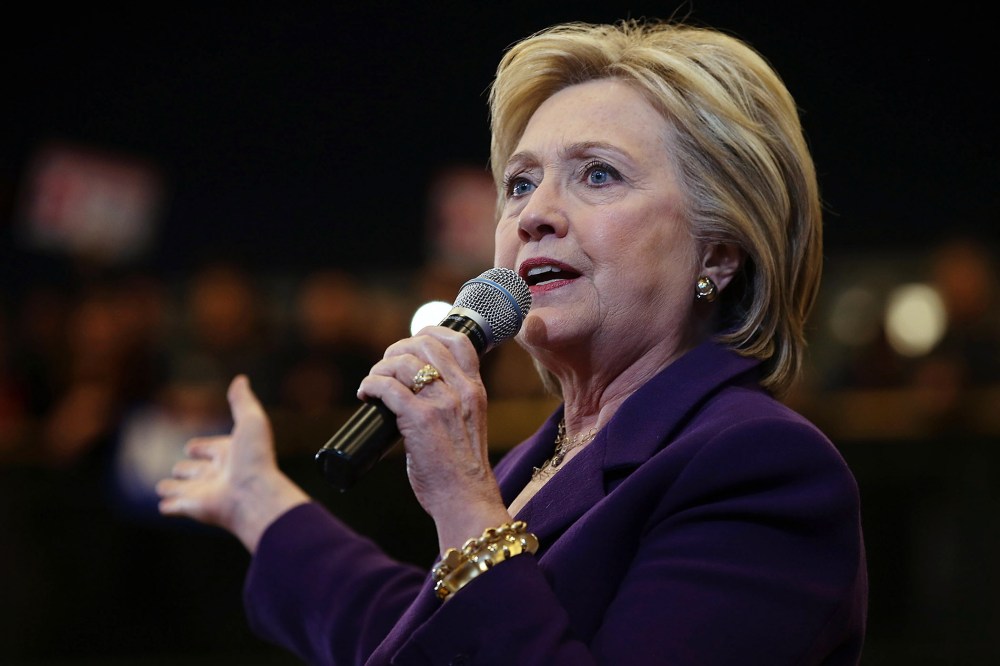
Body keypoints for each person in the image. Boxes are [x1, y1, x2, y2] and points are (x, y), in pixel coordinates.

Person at [156, 18, 867, 665]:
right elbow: (418, 640)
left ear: (719, 252)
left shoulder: (760, 464)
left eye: (598, 174)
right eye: (521, 183)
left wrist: (464, 501)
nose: (534, 216)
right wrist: (261, 505)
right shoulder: (540, 457)